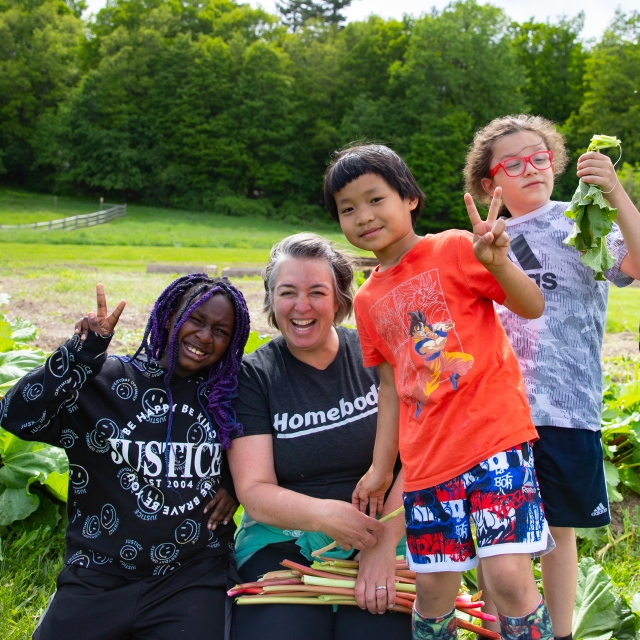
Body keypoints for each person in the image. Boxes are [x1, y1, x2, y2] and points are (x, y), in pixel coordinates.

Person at [324, 143, 554, 640]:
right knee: (432, 592)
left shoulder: (452, 247)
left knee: (510, 580)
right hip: (428, 463)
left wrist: (498, 263)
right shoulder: (366, 301)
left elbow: (531, 306)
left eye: (375, 199)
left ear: (409, 198)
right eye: (347, 208)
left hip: (495, 442)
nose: (363, 216)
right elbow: (390, 388)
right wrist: (382, 469)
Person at [463, 114, 640, 640]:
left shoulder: (582, 221)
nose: (531, 169)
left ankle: (559, 633)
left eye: (540, 158)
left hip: (567, 405)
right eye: (513, 164)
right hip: (495, 412)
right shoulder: (480, 239)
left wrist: (616, 193)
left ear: (556, 164)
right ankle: (497, 629)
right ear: (490, 184)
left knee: (559, 533)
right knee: (495, 535)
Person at [0, 275, 250, 640]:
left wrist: (234, 483)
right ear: (168, 317)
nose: (205, 337)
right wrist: (79, 354)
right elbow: (17, 416)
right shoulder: (104, 382)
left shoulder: (227, 394)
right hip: (99, 575)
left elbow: (270, 447)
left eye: (220, 330)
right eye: (195, 320)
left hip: (191, 578)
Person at [227, 233, 411, 640]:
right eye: (287, 292)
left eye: (317, 292)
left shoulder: (376, 355)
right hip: (285, 539)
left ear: (340, 300)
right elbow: (254, 489)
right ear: (272, 300)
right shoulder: (255, 376)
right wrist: (324, 515)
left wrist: (382, 544)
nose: (301, 306)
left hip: (383, 532)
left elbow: (417, 455)